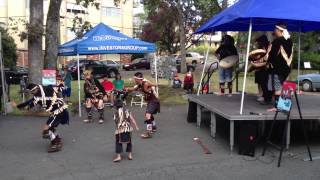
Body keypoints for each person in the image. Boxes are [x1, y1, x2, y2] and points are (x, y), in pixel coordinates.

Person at [12, 83, 69, 153]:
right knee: (50, 127)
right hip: (60, 110)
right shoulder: (48, 87)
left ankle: (56, 143)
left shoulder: (37, 97)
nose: (32, 93)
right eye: (31, 92)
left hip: (59, 111)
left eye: (32, 92)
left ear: (36, 89)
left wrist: (17, 106)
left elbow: (28, 105)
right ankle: (57, 139)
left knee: (45, 131)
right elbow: (61, 87)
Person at [266, 24, 293, 112]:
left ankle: (277, 107)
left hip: (278, 67)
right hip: (287, 67)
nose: (274, 31)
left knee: (277, 87)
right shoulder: (289, 41)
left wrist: (268, 60)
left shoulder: (277, 41)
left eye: (275, 29)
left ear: (279, 30)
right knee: (286, 85)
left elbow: (271, 55)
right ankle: (285, 106)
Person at [125, 72, 160, 139]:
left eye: (135, 79)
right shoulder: (139, 85)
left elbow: (155, 84)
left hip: (153, 101)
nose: (134, 80)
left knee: (147, 115)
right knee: (150, 115)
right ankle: (154, 126)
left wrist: (153, 87)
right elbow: (133, 89)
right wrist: (126, 89)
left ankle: (149, 132)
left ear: (138, 79)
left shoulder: (145, 83)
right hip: (150, 101)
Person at [251, 35, 272, 104]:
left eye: (259, 42)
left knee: (265, 83)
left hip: (266, 68)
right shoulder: (260, 47)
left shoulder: (269, 46)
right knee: (260, 82)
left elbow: (267, 58)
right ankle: (262, 95)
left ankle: (266, 97)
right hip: (259, 68)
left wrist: (260, 61)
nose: (258, 43)